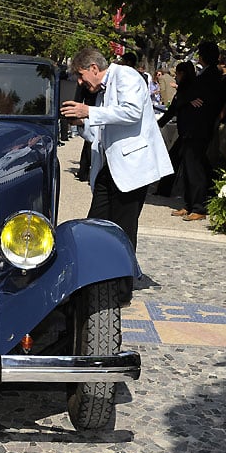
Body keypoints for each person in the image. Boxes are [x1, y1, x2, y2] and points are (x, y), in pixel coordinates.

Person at [60, 47, 173, 302]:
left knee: (123, 229)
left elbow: (131, 112)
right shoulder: (100, 91)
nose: (80, 82)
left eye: (80, 76)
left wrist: (88, 112)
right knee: (95, 225)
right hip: (109, 167)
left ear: (93, 68)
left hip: (131, 168)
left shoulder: (126, 76)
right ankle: (93, 283)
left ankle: (121, 289)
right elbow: (101, 131)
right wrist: (82, 123)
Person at [170, 41, 224, 221]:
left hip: (199, 128)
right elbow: (187, 95)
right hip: (191, 128)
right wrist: (189, 98)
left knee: (196, 168)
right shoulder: (205, 74)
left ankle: (198, 206)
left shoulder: (211, 76)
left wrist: (190, 98)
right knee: (187, 167)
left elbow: (200, 96)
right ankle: (189, 203)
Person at [156, 61, 196, 198]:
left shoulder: (188, 90)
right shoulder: (186, 89)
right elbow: (173, 109)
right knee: (177, 159)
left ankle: (166, 189)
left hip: (189, 130)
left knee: (179, 160)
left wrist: (160, 123)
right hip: (186, 129)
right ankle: (165, 189)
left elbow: (173, 108)